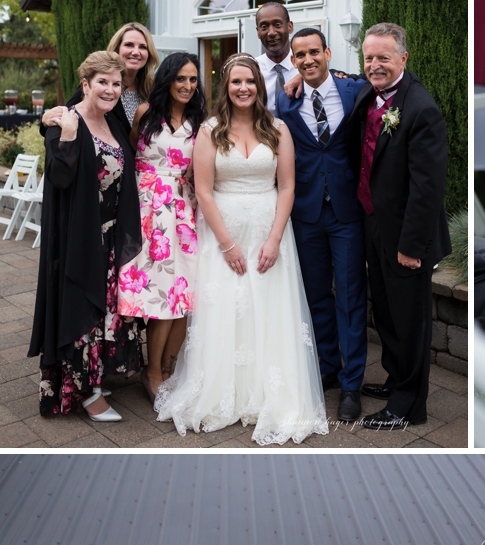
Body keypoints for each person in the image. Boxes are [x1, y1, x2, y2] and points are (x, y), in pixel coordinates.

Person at [153, 53, 324, 444]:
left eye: (249, 82)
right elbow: (203, 190)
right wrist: (227, 245)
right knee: (226, 308)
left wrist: (275, 238)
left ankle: (268, 393)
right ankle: (221, 391)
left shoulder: (278, 128)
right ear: (226, 88)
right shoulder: (211, 130)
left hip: (268, 229)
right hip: (222, 232)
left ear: (259, 87)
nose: (243, 88)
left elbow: (287, 186)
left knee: (268, 307)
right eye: (235, 82)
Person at [342, 23, 449, 429]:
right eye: (369, 57)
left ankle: (408, 405)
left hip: (406, 236)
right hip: (374, 224)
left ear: (403, 58)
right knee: (385, 312)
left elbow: (428, 188)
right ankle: (395, 377)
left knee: (410, 320)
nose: (375, 65)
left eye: (384, 57)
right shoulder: (369, 93)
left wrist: (412, 246)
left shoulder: (420, 108)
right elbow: (340, 78)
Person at [31, 51, 145, 421]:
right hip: (79, 237)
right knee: (83, 309)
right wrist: (63, 134)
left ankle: (92, 378)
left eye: (116, 83)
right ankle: (83, 392)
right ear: (86, 83)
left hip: (109, 235)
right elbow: (59, 178)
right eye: (103, 82)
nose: (110, 90)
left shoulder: (112, 121)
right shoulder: (67, 120)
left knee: (103, 313)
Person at [272, 26, 371, 422]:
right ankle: (329, 366)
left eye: (315, 52)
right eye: (300, 55)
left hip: (347, 212)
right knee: (316, 297)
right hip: (306, 213)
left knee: (350, 297)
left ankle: (352, 384)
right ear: (292, 61)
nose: (308, 60)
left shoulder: (355, 91)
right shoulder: (285, 102)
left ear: (328, 53)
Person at [119, 52, 203, 401]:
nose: (187, 85)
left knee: (188, 295)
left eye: (193, 79)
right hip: (149, 210)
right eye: (181, 78)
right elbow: (128, 154)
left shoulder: (201, 121)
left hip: (186, 212)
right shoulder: (145, 114)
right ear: (167, 79)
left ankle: (168, 370)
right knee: (162, 295)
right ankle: (151, 372)